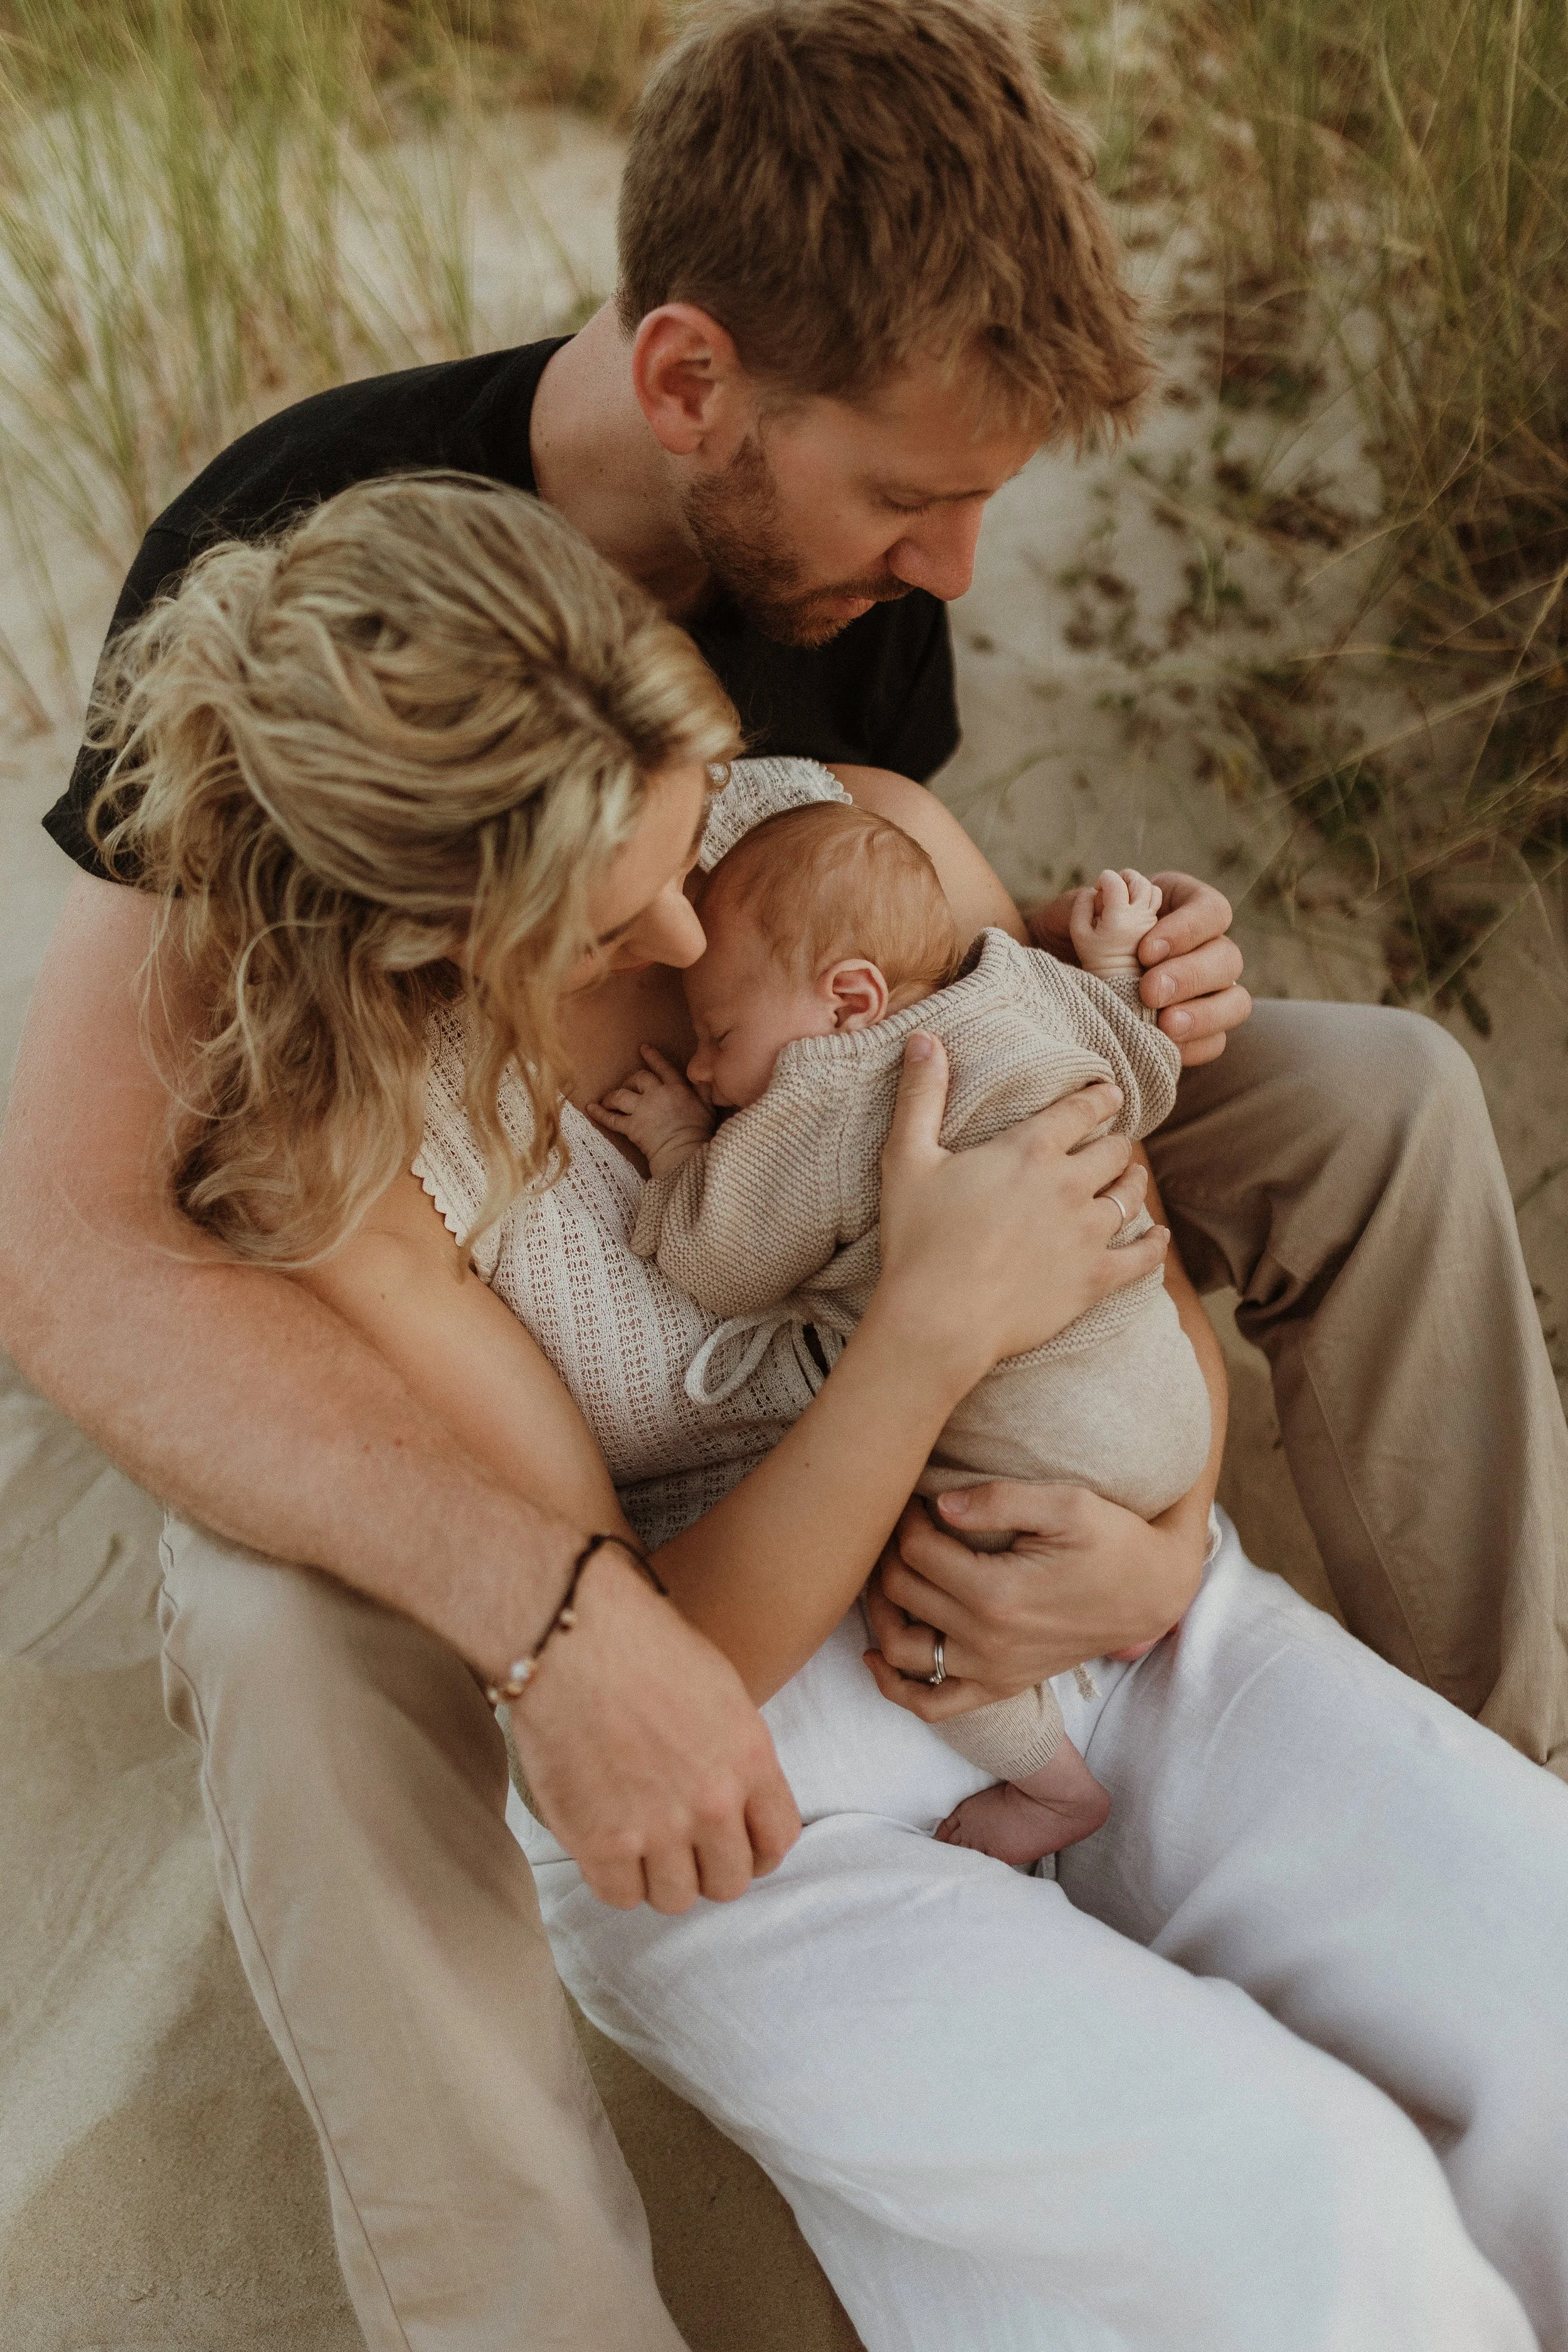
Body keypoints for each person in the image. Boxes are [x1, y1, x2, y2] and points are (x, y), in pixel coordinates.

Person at [0, 0, 1562, 2339]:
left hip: (1003, 1484)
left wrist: (1103, 1018)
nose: (950, 561)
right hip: (706, 1585)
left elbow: (970, 1063)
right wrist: (568, 1612)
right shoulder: (317, 657)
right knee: (280, 1615)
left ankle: (1495, 1751)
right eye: (903, 497)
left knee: (1386, 1102)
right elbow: (73, 1239)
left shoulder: (748, 806)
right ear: (695, 380)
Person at [593, 790, 1209, 1865]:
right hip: (1169, 1400)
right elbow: (1140, 1070)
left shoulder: (830, 1093)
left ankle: (1053, 1783)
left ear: (849, 1000)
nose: (700, 1065)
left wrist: (682, 1144)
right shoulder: (1012, 984)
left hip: (1034, 1439)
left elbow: (718, 1262)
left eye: (718, 1033)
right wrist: (1110, 963)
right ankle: (1132, 1593)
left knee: (920, 1602)